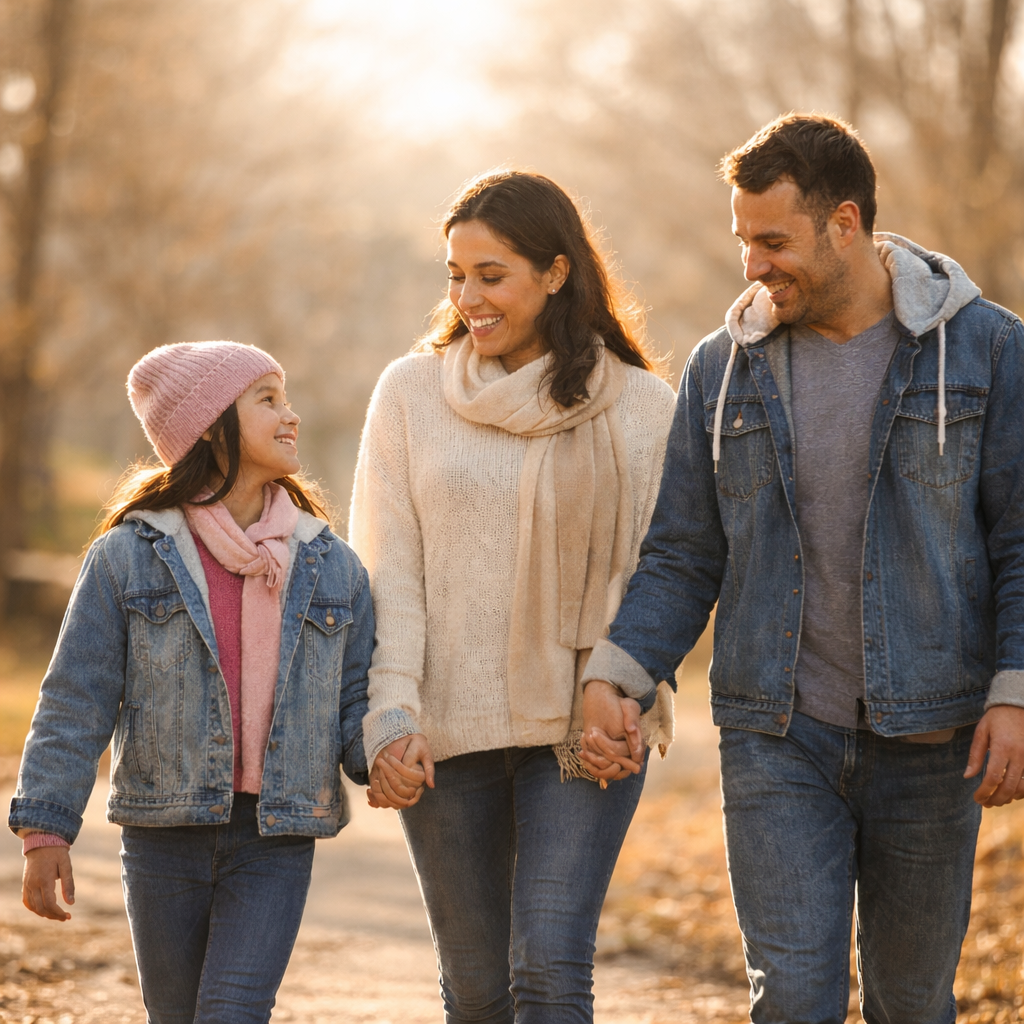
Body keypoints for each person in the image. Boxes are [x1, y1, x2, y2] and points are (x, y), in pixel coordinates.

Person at [580, 113, 1024, 1024]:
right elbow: (684, 552)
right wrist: (617, 675)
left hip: (931, 734)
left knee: (912, 1001)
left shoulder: (988, 351)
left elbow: (1019, 542)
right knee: (791, 999)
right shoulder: (723, 370)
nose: (753, 265)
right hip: (776, 730)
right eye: (744, 241)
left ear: (846, 224)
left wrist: (1015, 691)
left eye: (774, 241)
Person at [348, 170, 676, 1023]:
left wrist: (631, 694)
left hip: (580, 727)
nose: (468, 297)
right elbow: (391, 574)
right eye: (455, 275)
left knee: (549, 968)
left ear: (557, 272)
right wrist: (391, 716)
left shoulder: (642, 410)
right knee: (478, 991)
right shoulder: (410, 395)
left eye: (491, 275)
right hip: (445, 731)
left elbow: (664, 577)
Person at [10, 341, 373, 1024]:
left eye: (285, 397)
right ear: (210, 424)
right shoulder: (126, 557)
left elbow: (355, 702)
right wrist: (45, 830)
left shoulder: (332, 566)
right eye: (267, 399)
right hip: (162, 834)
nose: (289, 415)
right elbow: (74, 698)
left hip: (274, 839)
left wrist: (386, 753)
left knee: (232, 1012)